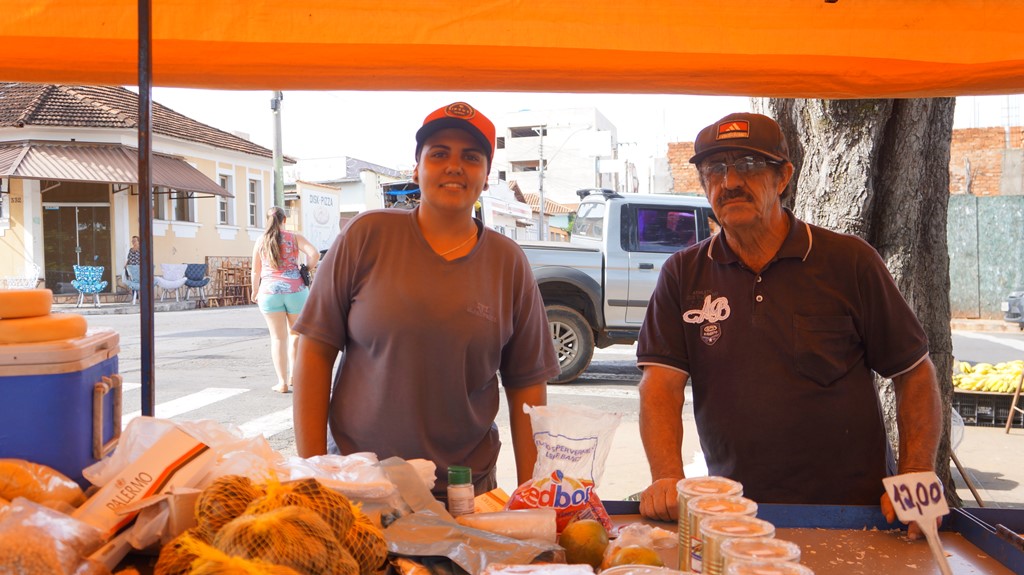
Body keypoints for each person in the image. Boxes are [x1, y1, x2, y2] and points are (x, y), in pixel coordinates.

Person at [636, 113, 942, 536]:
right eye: (714, 169)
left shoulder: (850, 262)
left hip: (857, 517)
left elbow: (915, 373)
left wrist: (915, 474)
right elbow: (660, 386)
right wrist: (667, 477)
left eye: (748, 165)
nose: (729, 182)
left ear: (783, 177)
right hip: (734, 517)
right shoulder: (683, 273)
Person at [291, 102, 559, 498]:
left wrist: (532, 495)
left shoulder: (508, 262)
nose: (454, 166)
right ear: (416, 168)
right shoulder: (366, 236)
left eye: (471, 157)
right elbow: (314, 351)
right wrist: (315, 474)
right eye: (439, 154)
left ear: (486, 177)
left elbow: (528, 387)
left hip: (463, 491)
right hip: (358, 483)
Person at [250, 206, 320, 394]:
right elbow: (315, 254)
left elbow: (255, 270)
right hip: (296, 291)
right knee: (296, 334)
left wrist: (255, 290)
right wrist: (306, 268)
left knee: (277, 338)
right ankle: (294, 377)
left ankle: (281, 382)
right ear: (285, 220)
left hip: (269, 292)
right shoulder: (294, 237)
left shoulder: (261, 241)